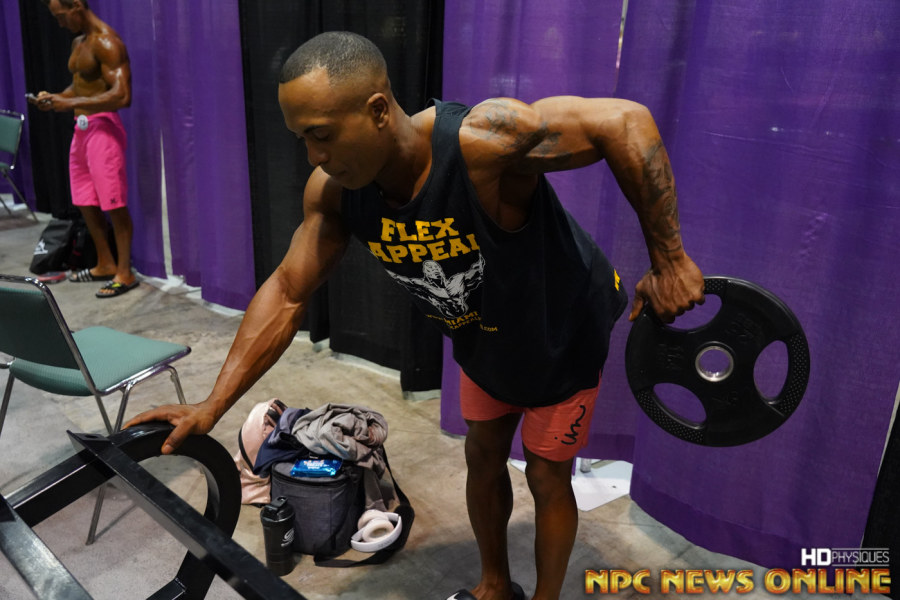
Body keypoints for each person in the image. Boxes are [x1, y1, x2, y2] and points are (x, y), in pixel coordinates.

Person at [127, 31, 705, 600]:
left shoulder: (480, 142)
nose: (314, 156)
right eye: (302, 139)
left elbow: (624, 122)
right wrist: (213, 404)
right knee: (482, 454)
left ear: (378, 110)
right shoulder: (334, 192)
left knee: (546, 473)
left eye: (322, 135)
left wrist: (670, 260)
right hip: (486, 336)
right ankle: (494, 585)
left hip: (562, 331)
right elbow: (286, 292)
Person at [30, 0, 138, 298]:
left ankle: (125, 272)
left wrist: (71, 103)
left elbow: (122, 95)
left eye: (61, 16)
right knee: (84, 200)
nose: (60, 23)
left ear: (76, 6)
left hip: (104, 129)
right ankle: (105, 263)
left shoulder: (107, 42)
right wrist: (56, 98)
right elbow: (80, 88)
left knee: (113, 203)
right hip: (81, 130)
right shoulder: (79, 42)